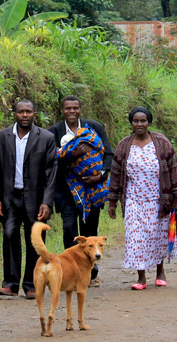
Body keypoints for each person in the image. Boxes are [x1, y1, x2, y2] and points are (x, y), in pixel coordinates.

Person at [106, 107, 177, 290]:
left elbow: (173, 170)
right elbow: (116, 173)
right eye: (135, 121)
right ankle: (141, 277)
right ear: (131, 123)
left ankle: (160, 271)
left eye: (143, 121)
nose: (139, 124)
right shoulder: (124, 145)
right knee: (135, 237)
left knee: (156, 235)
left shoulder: (161, 143)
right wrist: (112, 201)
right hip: (133, 199)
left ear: (149, 122)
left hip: (158, 199)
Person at [0, 99, 58, 299]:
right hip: (10, 197)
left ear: (34, 114)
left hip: (36, 199)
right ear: (15, 113)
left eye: (29, 112)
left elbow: (51, 172)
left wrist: (47, 201)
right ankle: (10, 283)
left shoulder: (46, 138)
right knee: (9, 236)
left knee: (35, 241)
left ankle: (31, 285)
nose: (25, 115)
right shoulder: (2, 137)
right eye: (21, 112)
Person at [48, 95, 112, 287]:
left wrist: (100, 175)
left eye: (75, 108)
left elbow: (108, 153)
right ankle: (71, 271)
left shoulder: (94, 128)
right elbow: (50, 161)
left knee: (90, 232)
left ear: (80, 109)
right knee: (69, 230)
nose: (72, 112)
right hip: (67, 190)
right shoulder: (53, 132)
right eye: (68, 108)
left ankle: (90, 274)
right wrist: (72, 155)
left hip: (92, 189)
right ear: (62, 110)